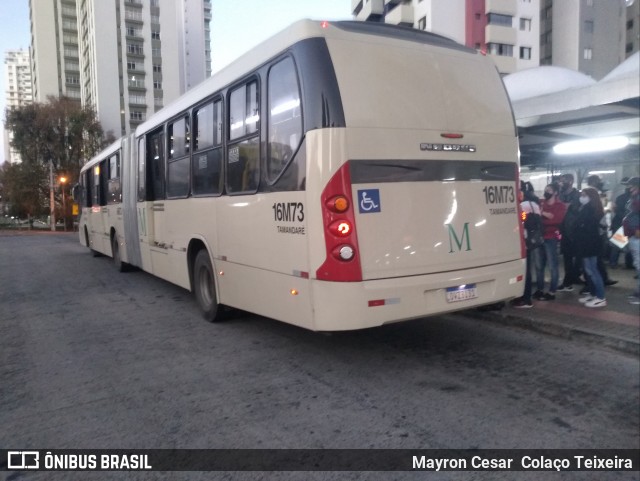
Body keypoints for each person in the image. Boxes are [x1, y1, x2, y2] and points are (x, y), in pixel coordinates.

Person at [533, 183, 566, 301]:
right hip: (539, 237)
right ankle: (540, 289)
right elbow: (536, 218)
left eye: (549, 190)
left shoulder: (560, 205)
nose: (546, 192)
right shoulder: (541, 203)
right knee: (539, 266)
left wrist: (542, 214)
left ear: (555, 192)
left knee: (553, 266)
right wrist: (546, 216)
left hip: (551, 238)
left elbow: (556, 220)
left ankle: (552, 291)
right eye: (545, 189)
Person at [575, 187, 607, 308]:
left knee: (593, 270)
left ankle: (600, 297)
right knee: (589, 270)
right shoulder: (587, 209)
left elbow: (590, 228)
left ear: (591, 197)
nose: (582, 198)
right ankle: (593, 293)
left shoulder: (594, 211)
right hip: (587, 244)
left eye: (584, 195)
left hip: (592, 244)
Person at [512, 181, 540, 308]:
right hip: (533, 240)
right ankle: (525, 297)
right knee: (528, 268)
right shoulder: (535, 205)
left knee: (524, 270)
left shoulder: (523, 206)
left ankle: (525, 298)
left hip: (524, 240)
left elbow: (521, 222)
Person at [557, 173, 582, 292]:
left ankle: (574, 277)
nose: (562, 183)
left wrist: (570, 206)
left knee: (579, 256)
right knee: (567, 257)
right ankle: (568, 281)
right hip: (564, 230)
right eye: (561, 181)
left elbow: (580, 211)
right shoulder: (560, 194)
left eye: (565, 181)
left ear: (571, 181)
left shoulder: (578, 195)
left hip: (576, 230)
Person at [622, 177, 640, 305]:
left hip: (637, 234)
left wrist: (638, 228)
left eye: (632, 186)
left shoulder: (638, 199)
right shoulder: (634, 198)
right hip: (633, 234)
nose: (629, 188)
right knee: (638, 265)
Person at [609, 178, 632, 268]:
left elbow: (616, 210)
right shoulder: (630, 198)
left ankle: (613, 262)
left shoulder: (620, 197)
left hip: (620, 223)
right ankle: (628, 264)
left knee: (618, 245)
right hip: (625, 224)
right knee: (629, 246)